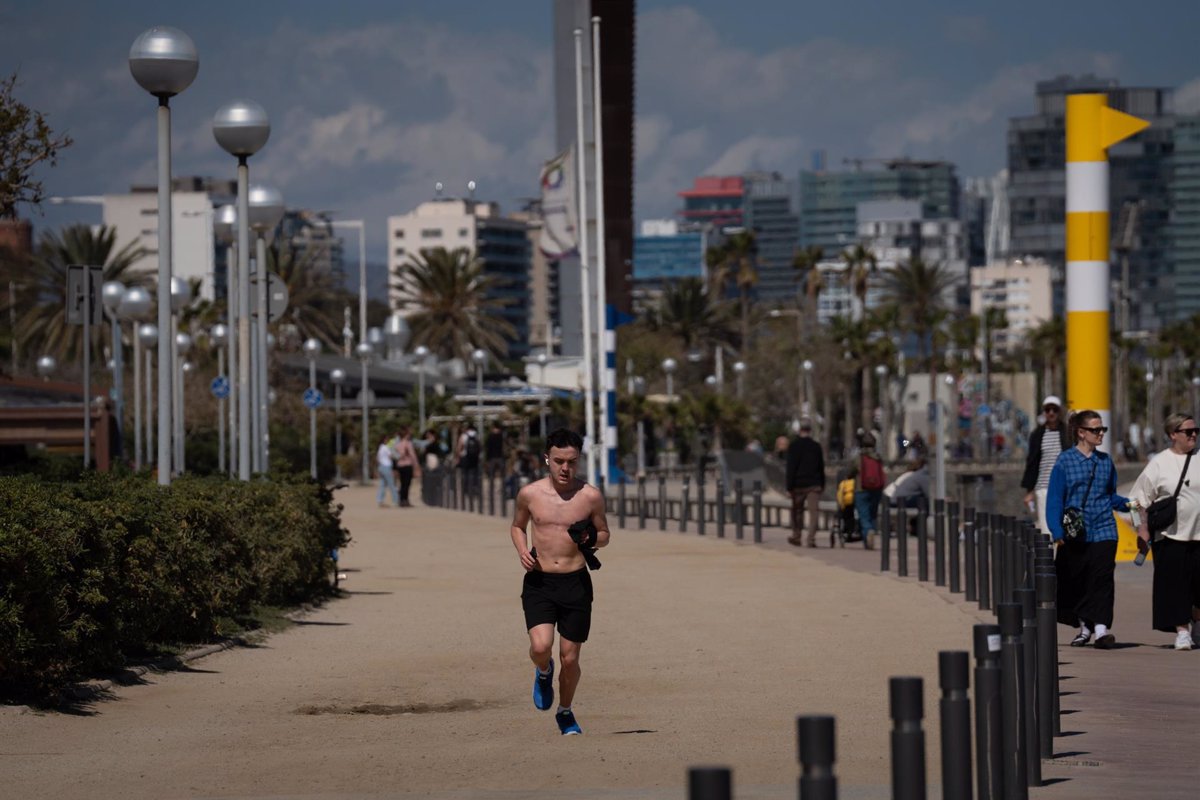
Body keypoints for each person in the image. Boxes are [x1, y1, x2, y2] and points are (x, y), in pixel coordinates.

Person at [509, 428, 611, 736]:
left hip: (575, 584)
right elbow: (517, 526)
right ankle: (542, 670)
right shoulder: (530, 494)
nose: (565, 468)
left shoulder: (590, 496)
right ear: (546, 459)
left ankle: (565, 712)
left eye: (572, 462)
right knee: (541, 647)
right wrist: (522, 550)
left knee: (570, 658)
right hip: (540, 582)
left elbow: (605, 535)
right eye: (558, 461)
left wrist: (591, 537)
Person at [1046, 409, 1130, 649]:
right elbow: (1055, 500)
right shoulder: (1064, 461)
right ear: (1081, 433)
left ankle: (1102, 630)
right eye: (1095, 429)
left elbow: (1110, 496)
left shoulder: (1105, 462)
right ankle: (1085, 627)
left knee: (1102, 579)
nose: (1100, 433)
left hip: (1105, 529)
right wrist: (1057, 532)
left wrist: (1130, 504)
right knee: (1078, 581)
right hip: (1076, 532)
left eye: (1101, 429)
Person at [1129, 412, 1200, 650]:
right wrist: (1142, 528)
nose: (1193, 435)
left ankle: (1196, 623)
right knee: (1176, 586)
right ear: (1173, 435)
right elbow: (1135, 500)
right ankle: (1182, 631)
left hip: (1199, 535)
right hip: (1170, 536)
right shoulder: (1160, 463)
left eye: (1196, 431)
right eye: (1188, 431)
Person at [1022, 395, 1071, 535]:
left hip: (1064, 487)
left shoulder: (1068, 433)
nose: (1051, 413)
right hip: (1043, 487)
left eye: (1054, 409)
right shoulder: (1037, 435)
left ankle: (1064, 555)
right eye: (1047, 409)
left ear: (1059, 411)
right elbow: (1032, 463)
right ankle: (1050, 556)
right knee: (1046, 526)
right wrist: (1029, 491)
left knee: (1065, 525)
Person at [785, 419, 825, 548]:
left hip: (798, 484)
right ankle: (811, 539)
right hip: (814, 484)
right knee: (814, 512)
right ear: (810, 430)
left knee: (797, 511)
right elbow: (821, 467)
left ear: (799, 430)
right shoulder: (816, 446)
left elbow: (791, 467)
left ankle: (797, 535)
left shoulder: (794, 446)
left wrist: (789, 486)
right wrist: (822, 484)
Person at [850, 432, 886, 550]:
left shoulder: (859, 458)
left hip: (861, 489)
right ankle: (870, 535)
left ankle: (868, 532)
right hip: (876, 489)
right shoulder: (878, 458)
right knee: (872, 514)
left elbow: (851, 471)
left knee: (864, 515)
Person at [393, 426, 419, 507]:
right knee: (407, 484)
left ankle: (401, 500)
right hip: (407, 465)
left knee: (402, 483)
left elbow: (395, 454)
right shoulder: (408, 443)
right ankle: (405, 500)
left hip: (400, 465)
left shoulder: (398, 444)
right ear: (406, 435)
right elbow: (412, 455)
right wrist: (416, 465)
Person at [458, 423, 481, 500]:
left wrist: (458, 456)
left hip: (465, 457)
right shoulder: (476, 435)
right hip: (474, 458)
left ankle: (466, 490)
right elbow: (480, 446)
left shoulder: (463, 436)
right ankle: (475, 489)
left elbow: (460, 446)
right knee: (475, 474)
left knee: (465, 474)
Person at [375, 435, 399, 508]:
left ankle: (380, 500)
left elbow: (377, 458)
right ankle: (396, 501)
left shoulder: (380, 447)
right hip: (386, 467)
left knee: (382, 485)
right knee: (392, 484)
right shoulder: (386, 447)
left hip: (381, 467)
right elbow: (391, 456)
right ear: (385, 440)